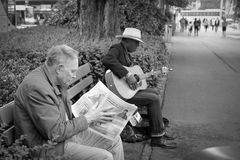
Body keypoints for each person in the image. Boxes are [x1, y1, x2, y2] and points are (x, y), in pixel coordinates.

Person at [14, 44, 124, 160]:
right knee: (105, 157)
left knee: (114, 140)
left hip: (63, 137)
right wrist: (88, 118)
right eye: (72, 71)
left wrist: (89, 112)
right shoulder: (37, 88)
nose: (74, 75)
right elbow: (55, 134)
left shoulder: (55, 78)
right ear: (59, 69)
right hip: (46, 148)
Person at [102, 28, 177, 149]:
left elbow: (130, 77)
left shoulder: (125, 53)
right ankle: (157, 138)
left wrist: (134, 78)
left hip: (123, 91)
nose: (137, 46)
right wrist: (127, 75)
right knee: (153, 99)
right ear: (128, 41)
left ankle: (158, 129)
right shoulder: (117, 48)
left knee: (154, 93)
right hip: (115, 94)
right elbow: (107, 60)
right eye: (136, 42)